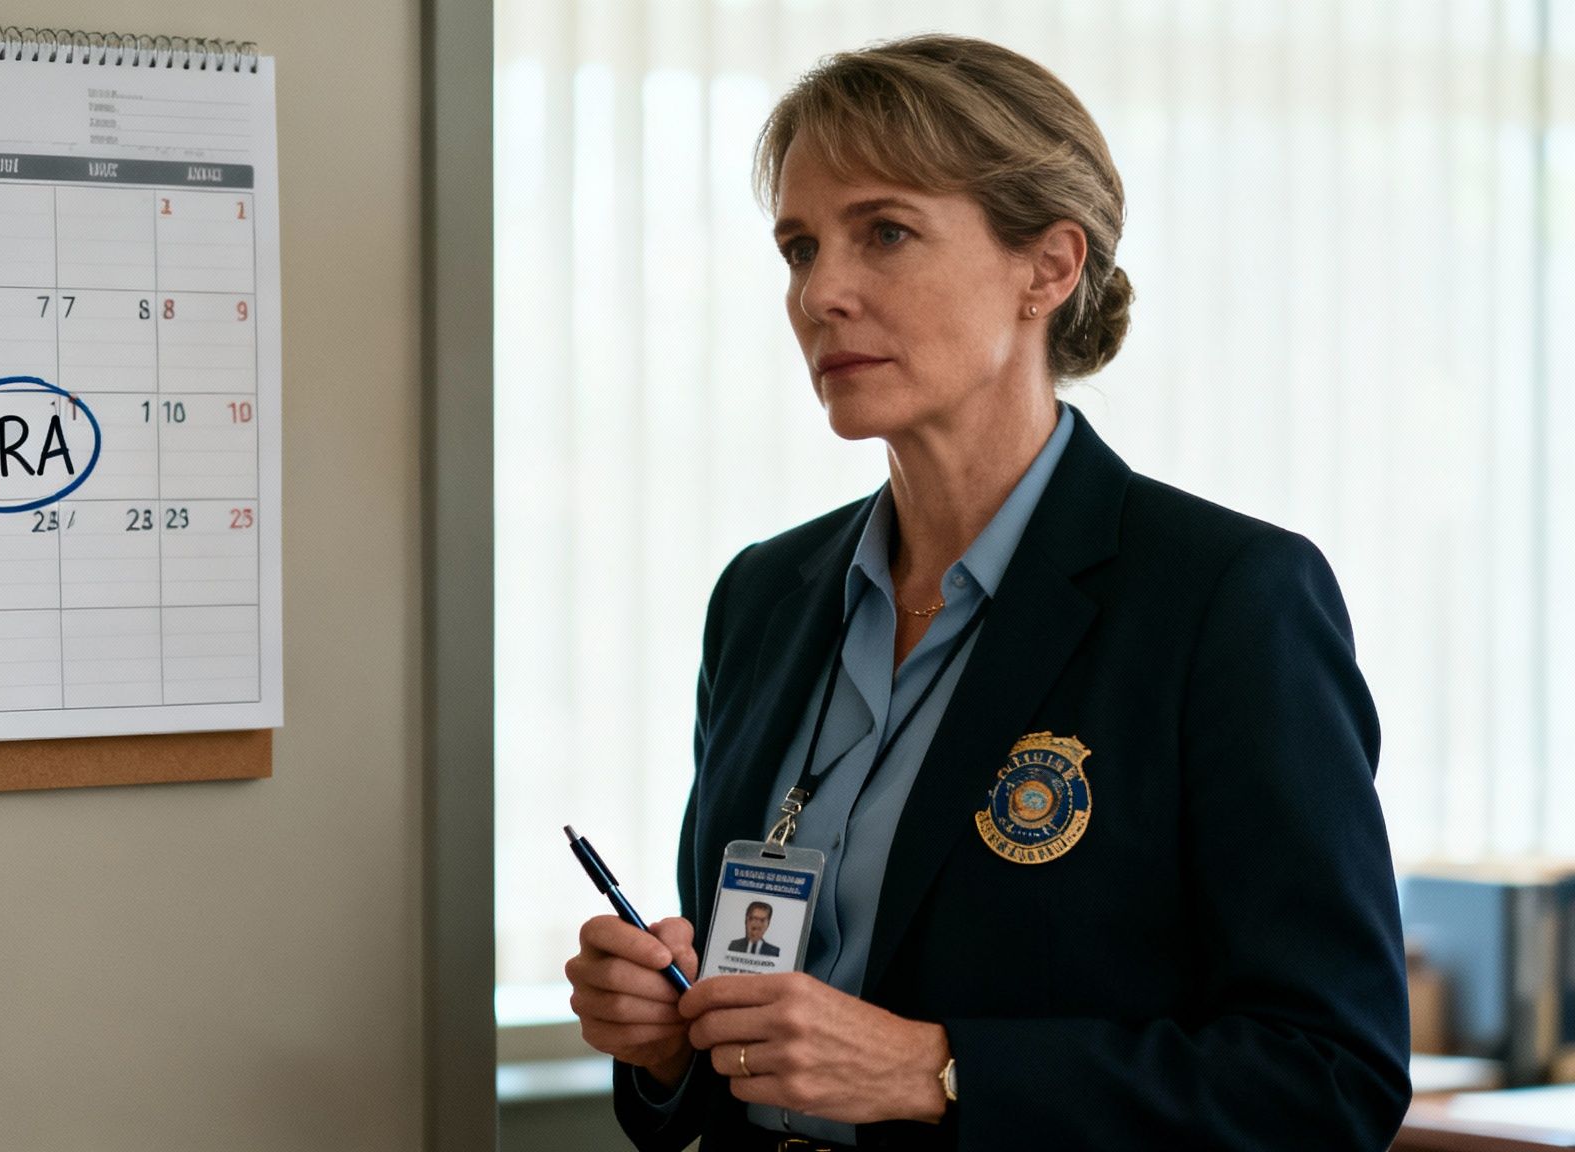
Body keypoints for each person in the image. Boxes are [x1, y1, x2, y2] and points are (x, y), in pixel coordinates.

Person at [562, 33, 1410, 1152]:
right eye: (798, 247)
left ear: (1047, 269)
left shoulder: (1225, 600)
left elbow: (1328, 1077)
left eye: (886, 233)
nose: (821, 293)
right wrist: (668, 1040)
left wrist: (941, 1071)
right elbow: (747, 1031)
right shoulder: (763, 597)